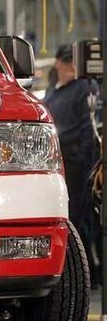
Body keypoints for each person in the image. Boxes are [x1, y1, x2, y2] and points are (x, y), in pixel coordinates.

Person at [44, 44, 100, 286]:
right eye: (67, 61)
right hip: (58, 163)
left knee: (79, 221)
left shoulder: (82, 88)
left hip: (77, 164)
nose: (71, 67)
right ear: (58, 63)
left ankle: (82, 274)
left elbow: (88, 131)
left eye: (74, 62)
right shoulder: (53, 91)